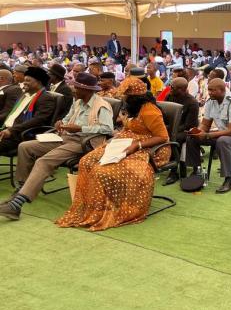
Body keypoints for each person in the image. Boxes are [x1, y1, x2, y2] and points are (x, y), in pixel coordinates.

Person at [55, 79, 169, 231]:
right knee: (86, 162)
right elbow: (129, 127)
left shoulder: (149, 110)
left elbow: (162, 137)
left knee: (102, 170)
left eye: (126, 97)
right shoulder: (133, 108)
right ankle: (93, 207)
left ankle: (111, 208)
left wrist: (137, 145)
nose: (123, 99)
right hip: (124, 141)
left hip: (147, 147)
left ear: (135, 98)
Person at [0, 73, 113, 219]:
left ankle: (16, 205)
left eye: (77, 87)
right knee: (25, 147)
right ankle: (22, 188)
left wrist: (80, 129)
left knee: (44, 161)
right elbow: (67, 118)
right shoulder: (77, 101)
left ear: (87, 90)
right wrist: (60, 123)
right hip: (64, 137)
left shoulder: (102, 106)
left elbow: (108, 129)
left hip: (83, 143)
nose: (73, 89)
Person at [184, 78, 231, 193]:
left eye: (212, 90)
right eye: (209, 90)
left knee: (222, 141)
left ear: (222, 90)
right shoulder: (211, 102)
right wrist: (198, 131)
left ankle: (229, 179)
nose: (209, 93)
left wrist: (208, 135)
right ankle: (197, 171)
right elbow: (205, 124)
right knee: (192, 138)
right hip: (223, 135)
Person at [0, 67, 56, 154]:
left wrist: (11, 130)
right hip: (5, 130)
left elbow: (38, 120)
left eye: (28, 80)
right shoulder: (24, 95)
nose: (24, 83)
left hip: (20, 135)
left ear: (39, 82)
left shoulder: (45, 98)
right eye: (24, 80)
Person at [163, 77, 199, 185]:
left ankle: (174, 172)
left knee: (174, 138)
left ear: (182, 89)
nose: (170, 89)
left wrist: (172, 130)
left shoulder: (192, 102)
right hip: (172, 128)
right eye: (170, 86)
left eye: (173, 88)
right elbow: (164, 115)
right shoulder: (169, 96)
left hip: (187, 130)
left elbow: (189, 125)